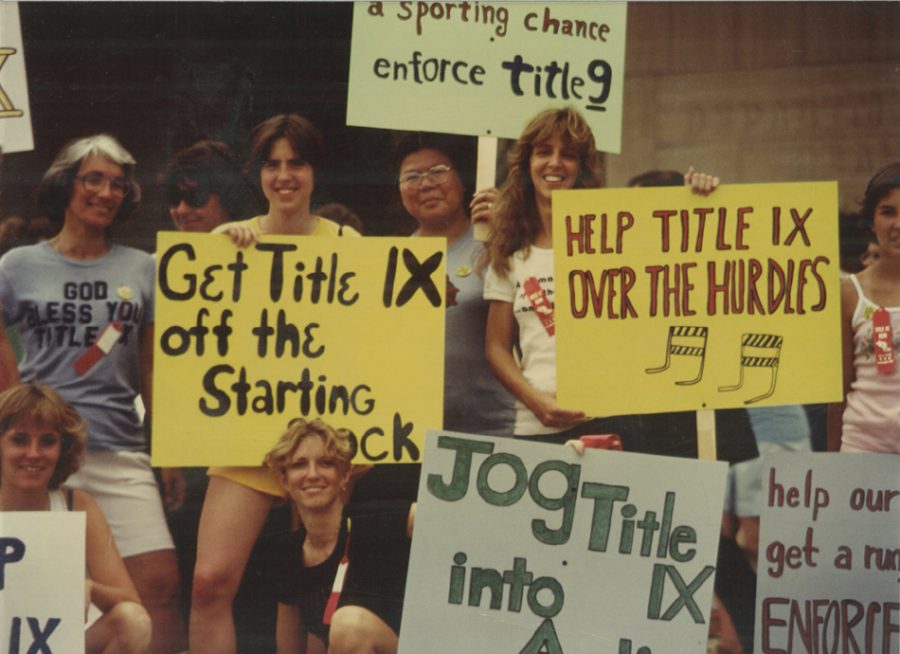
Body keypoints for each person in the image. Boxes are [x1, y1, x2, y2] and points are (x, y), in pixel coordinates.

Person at [0, 134, 185, 653]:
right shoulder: (17, 265)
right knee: (36, 589)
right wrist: (14, 400)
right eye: (94, 179)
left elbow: (152, 363)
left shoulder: (143, 267)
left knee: (159, 588)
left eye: (118, 185)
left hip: (119, 444)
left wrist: (165, 447)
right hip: (40, 451)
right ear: (67, 184)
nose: (106, 193)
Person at [191, 114, 360, 654]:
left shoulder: (349, 243)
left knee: (320, 590)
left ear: (314, 171)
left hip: (323, 443)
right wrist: (218, 249)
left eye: (297, 163)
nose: (284, 176)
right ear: (258, 173)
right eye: (272, 164)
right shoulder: (227, 240)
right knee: (209, 581)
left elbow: (377, 342)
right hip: (247, 433)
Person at [483, 108, 717, 442]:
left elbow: (686, 261)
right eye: (544, 152)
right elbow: (495, 347)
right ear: (526, 164)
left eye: (568, 155)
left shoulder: (617, 238)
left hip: (610, 418)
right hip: (536, 425)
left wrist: (698, 201)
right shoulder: (509, 250)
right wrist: (536, 402)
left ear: (581, 168)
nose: (555, 163)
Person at [0, 382, 152, 654]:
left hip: (56, 645)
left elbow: (130, 600)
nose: (33, 453)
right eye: (19, 439)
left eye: (47, 441)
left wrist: (89, 588)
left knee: (133, 621)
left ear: (63, 448)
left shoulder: (77, 505)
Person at [393, 133, 515, 438]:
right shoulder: (390, 261)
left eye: (438, 172)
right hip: (414, 436)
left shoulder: (496, 245)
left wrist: (512, 229)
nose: (425, 184)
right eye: (412, 177)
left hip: (497, 429)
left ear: (463, 182)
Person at [262, 418, 414, 654]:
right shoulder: (290, 554)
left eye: (326, 463)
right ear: (284, 480)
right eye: (299, 465)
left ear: (344, 476)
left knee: (348, 624)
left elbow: (448, 518)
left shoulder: (372, 520)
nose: (312, 474)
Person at [827, 162, 900, 454]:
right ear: (871, 220)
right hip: (863, 451)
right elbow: (838, 392)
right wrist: (832, 470)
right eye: (888, 212)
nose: (898, 223)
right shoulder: (849, 293)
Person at [161, 139, 263, 233]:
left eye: (194, 197)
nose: (181, 210)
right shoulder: (159, 253)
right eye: (174, 198)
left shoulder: (265, 248)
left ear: (228, 199)